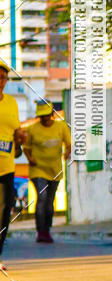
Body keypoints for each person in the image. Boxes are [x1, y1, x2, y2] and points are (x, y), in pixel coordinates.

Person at [23, 102, 71, 243]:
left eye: (46, 116)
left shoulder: (61, 126)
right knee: (42, 197)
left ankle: (47, 229)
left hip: (54, 170)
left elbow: (69, 144)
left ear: (52, 115)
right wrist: (30, 158)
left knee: (50, 202)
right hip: (38, 169)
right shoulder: (32, 129)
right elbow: (26, 148)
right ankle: (40, 231)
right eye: (41, 116)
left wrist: (67, 153)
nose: (44, 119)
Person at [0, 63, 24, 270]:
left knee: (4, 211)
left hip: (6, 165)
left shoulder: (12, 103)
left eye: (2, 77)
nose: (0, 81)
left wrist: (20, 137)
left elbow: (16, 131)